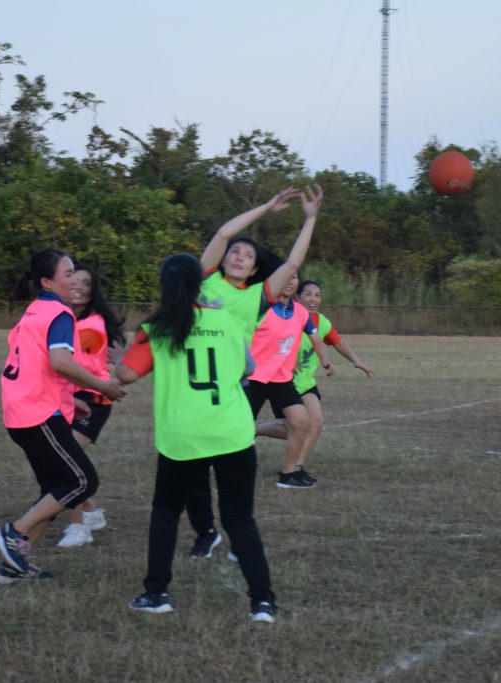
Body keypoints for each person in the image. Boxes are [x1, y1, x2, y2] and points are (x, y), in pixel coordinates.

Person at [117, 253, 278, 622]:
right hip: (232, 431)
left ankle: (156, 593)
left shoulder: (157, 327)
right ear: (200, 284)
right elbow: (247, 368)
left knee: (166, 512)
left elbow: (126, 374)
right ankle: (262, 602)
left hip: (183, 436)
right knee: (240, 519)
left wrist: (121, 355)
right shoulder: (229, 320)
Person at [184, 185, 323, 557]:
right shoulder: (204, 279)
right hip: (193, 389)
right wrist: (266, 206)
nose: (239, 256)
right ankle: (205, 532)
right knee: (193, 467)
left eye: (248, 255)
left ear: (255, 267)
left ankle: (238, 536)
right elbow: (223, 233)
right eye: (235, 252)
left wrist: (309, 219)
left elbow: (292, 264)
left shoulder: (256, 296)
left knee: (234, 468)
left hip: (231, 389)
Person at [0, 248, 126, 584]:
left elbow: (34, 366)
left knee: (54, 488)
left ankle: (14, 565)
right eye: (68, 274)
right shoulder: (60, 314)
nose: (75, 280)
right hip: (37, 414)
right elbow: (60, 362)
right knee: (82, 481)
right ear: (47, 282)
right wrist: (103, 387)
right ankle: (15, 532)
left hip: (22, 412)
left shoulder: (35, 310)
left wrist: (70, 399)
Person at [256, 278, 375, 483]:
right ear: (298, 296)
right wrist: (285, 359)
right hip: (283, 381)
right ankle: (257, 431)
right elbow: (269, 342)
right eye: (308, 294)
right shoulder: (282, 316)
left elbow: (338, 342)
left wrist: (356, 361)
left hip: (305, 383)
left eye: (317, 295)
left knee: (316, 422)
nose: (313, 299)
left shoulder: (320, 322)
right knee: (294, 428)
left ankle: (297, 468)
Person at [56, 263, 127, 548]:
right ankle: (91, 512)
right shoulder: (60, 317)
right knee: (63, 457)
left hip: (93, 399)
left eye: (86, 283)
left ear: (92, 291)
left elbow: (62, 360)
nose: (78, 286)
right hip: (66, 396)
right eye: (73, 279)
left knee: (65, 457)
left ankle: (78, 527)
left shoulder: (93, 324)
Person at [245, 271, 332, 489]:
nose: (289, 281)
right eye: (284, 276)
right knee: (238, 427)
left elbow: (316, 339)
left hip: (281, 378)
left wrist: (324, 359)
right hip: (254, 377)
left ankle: (288, 475)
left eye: (293, 277)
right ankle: (211, 462)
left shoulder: (300, 312)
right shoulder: (260, 307)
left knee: (301, 421)